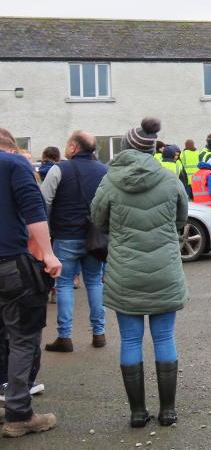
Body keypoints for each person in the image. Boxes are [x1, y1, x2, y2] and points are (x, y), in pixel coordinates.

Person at [91, 117, 188, 428]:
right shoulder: (170, 178)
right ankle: (168, 411)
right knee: (164, 336)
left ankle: (137, 412)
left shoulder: (110, 181)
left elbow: (97, 219)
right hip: (164, 269)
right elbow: (180, 219)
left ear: (125, 148)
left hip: (125, 270)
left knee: (130, 340)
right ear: (151, 149)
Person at [0, 128, 61, 437]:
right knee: (23, 338)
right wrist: (48, 254)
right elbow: (35, 212)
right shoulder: (13, 164)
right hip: (10, 263)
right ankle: (19, 414)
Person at [39, 130, 108, 353]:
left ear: (73, 147)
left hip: (65, 236)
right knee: (95, 282)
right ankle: (99, 333)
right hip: (95, 238)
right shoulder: (104, 171)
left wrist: (46, 232)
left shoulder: (59, 169)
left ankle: (65, 337)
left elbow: (43, 201)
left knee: (64, 284)